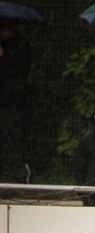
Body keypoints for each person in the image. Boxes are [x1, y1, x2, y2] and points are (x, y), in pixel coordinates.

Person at [0, 21, 32, 183]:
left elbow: (17, 70)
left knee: (13, 139)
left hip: (12, 102)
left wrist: (3, 57)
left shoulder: (21, 46)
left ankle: (20, 176)